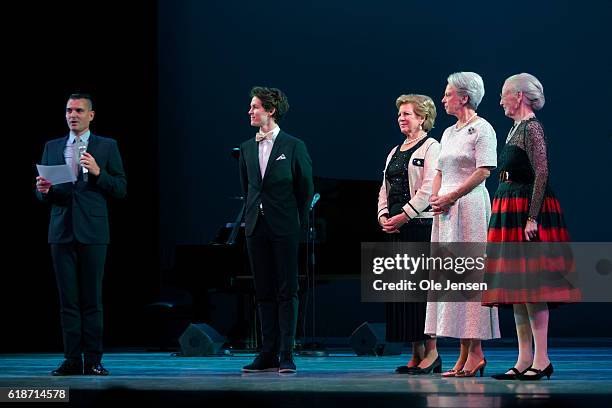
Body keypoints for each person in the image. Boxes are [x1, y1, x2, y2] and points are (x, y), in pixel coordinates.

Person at [484, 73, 580, 381]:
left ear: (519, 96)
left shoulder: (532, 127)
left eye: (504, 95)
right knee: (517, 288)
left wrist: (532, 217)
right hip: (508, 207)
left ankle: (542, 359)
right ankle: (524, 359)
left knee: (533, 287)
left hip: (525, 208)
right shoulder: (514, 129)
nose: (500, 101)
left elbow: (542, 172)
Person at [35, 93, 127, 376]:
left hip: (93, 230)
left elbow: (121, 188)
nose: (72, 115)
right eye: (68, 110)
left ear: (91, 115)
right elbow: (47, 192)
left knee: (92, 300)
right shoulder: (52, 147)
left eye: (78, 110)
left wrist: (99, 173)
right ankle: (72, 359)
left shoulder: (106, 146)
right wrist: (44, 192)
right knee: (68, 301)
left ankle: (94, 359)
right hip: (61, 230)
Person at [423, 72, 500, 377]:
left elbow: (483, 171)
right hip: (445, 210)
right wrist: (435, 196)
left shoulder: (483, 129)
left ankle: (476, 351)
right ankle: (463, 352)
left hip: (468, 206)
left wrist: (452, 196)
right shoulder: (449, 132)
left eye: (448, 94)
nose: (443, 99)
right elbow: (441, 168)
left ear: (464, 97)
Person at [239, 86, 314, 374]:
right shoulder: (246, 147)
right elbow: (247, 188)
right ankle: (266, 352)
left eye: (255, 106)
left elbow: (304, 190)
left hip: (284, 227)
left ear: (270, 110)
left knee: (287, 290)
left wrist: (297, 224)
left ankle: (286, 353)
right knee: (263, 291)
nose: (250, 111)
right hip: (256, 227)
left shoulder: (294, 146)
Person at [376, 94, 440, 374]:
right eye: (400, 114)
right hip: (397, 228)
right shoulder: (394, 151)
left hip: (419, 226)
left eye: (408, 114)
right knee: (404, 293)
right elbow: (384, 188)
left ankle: (433, 354)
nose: (401, 118)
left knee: (422, 292)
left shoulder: (432, 147)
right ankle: (415, 353)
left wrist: (404, 215)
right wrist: (383, 216)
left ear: (422, 118)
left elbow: (428, 188)